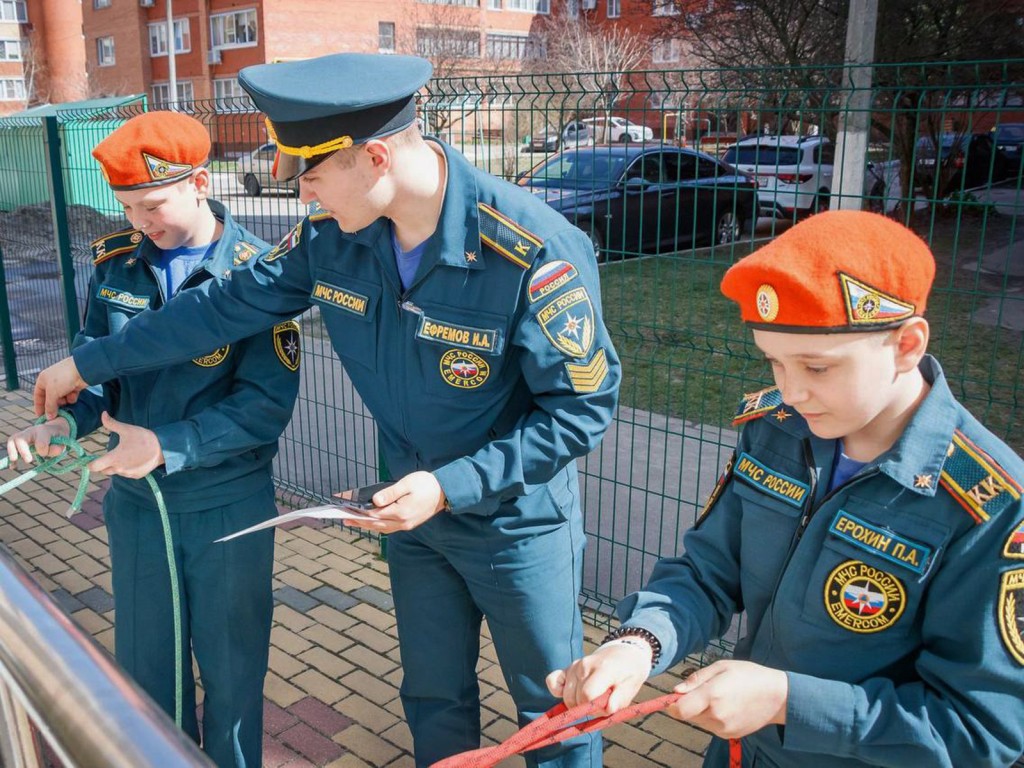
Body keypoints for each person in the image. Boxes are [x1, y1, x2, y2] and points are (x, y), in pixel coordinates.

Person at [31, 53, 620, 768]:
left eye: (311, 175)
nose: (303, 193)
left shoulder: (530, 249)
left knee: (554, 710)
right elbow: (217, 308)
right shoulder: (331, 238)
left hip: (512, 524)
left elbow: (580, 411)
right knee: (434, 698)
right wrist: (83, 365)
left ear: (374, 158)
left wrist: (447, 487)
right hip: (408, 515)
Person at [546, 210, 1024, 767]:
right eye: (773, 361)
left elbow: (978, 729)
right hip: (744, 751)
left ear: (906, 346)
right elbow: (708, 573)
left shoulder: (989, 505)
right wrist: (639, 643)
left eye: (817, 368)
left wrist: (788, 703)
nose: (791, 391)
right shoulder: (776, 430)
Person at [7, 111, 301, 768]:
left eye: (154, 204)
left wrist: (167, 444)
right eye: (130, 208)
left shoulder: (255, 276)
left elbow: (262, 408)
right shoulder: (117, 265)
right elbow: (99, 374)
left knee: (231, 677)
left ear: (200, 181)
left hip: (225, 508)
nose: (143, 223)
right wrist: (64, 422)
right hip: (138, 510)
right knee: (145, 675)